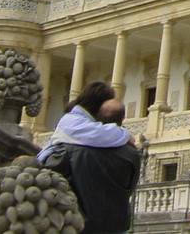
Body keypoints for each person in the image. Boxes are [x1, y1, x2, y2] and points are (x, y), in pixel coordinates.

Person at [44, 99, 141, 234]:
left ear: (97, 117)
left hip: (82, 224)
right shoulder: (132, 153)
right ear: (122, 120)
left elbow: (48, 175)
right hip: (116, 225)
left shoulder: (72, 149)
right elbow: (130, 188)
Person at [37, 81, 132, 162]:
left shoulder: (78, 119)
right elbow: (102, 135)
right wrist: (126, 134)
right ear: (98, 106)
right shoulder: (72, 121)